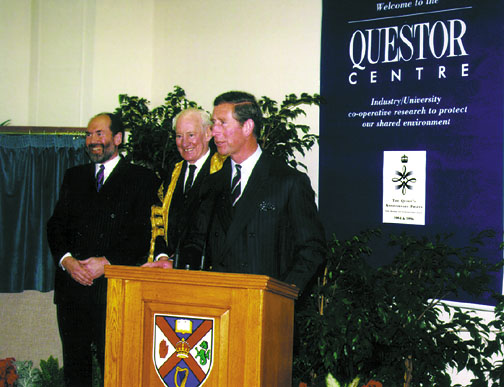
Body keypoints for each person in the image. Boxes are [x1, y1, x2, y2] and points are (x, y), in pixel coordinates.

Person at [47, 112, 159, 386]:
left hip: (114, 290)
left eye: (100, 133)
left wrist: (108, 262)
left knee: (116, 368)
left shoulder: (142, 178)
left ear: (118, 138)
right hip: (72, 289)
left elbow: (144, 235)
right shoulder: (74, 176)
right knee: (75, 369)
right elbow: (56, 226)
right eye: (88, 134)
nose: (93, 140)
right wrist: (67, 261)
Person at [193, 91, 326, 292]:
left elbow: (312, 249)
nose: (214, 131)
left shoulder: (288, 181)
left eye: (222, 123)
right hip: (219, 302)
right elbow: (196, 241)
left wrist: (284, 295)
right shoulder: (212, 183)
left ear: (247, 126)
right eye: (214, 123)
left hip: (265, 305)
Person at [145, 108, 226, 269]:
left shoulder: (224, 172)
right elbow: (158, 220)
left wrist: (177, 262)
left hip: (206, 271)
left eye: (191, 135)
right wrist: (162, 256)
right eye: (179, 136)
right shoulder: (173, 173)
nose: (184, 143)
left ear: (208, 134)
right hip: (167, 269)